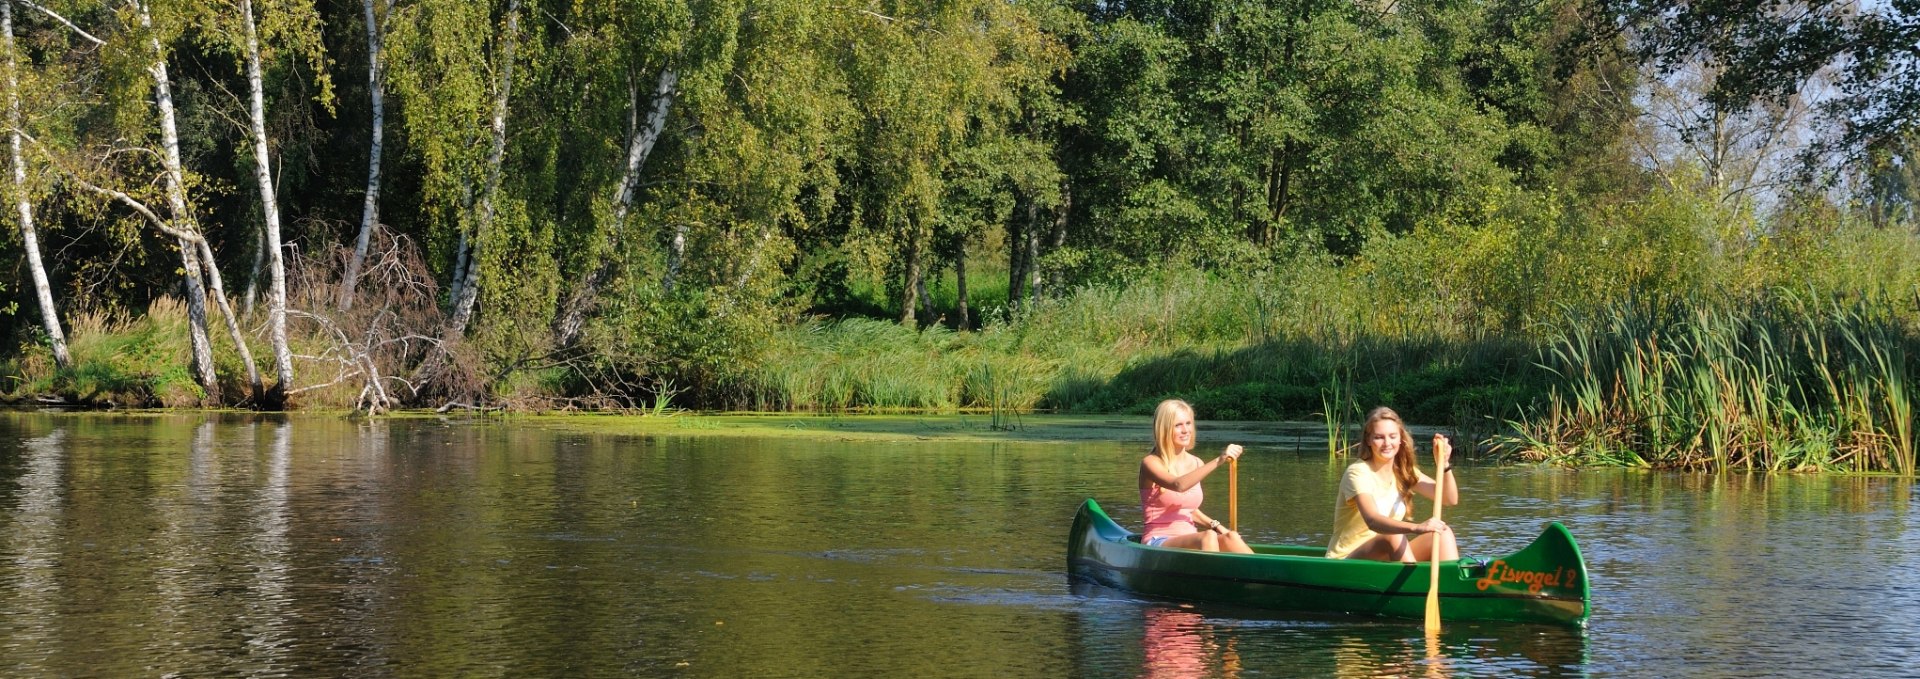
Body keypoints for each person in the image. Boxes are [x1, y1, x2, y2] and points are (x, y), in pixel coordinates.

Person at [1325, 406, 1459, 562]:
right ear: (1368, 440)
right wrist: (1416, 527)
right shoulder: (1357, 473)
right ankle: (1415, 585)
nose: (1387, 443)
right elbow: (1372, 520)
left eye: (1392, 436)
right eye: (1379, 437)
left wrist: (1443, 464)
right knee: (1393, 537)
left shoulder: (1404, 472)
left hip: (1385, 558)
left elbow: (1449, 499)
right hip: (1346, 561)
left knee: (1443, 532)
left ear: (1400, 438)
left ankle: (1450, 584)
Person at [1138, 399, 1253, 553]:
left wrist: (1219, 526)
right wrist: (1219, 460)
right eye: (1178, 425)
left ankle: (1268, 575)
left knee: (1231, 537)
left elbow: (1189, 509)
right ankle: (1214, 576)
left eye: (1188, 423)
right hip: (1158, 540)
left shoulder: (1197, 462)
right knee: (1208, 537)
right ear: (1164, 429)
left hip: (1191, 536)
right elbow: (1178, 485)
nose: (1186, 430)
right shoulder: (1150, 463)